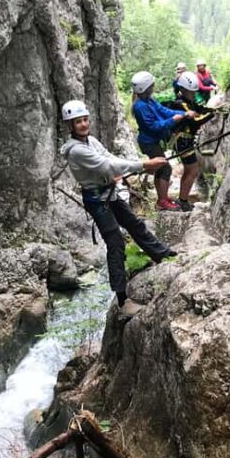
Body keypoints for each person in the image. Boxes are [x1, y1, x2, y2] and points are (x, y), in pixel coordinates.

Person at [59, 100, 177, 308]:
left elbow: (108, 158)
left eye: (85, 120)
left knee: (134, 224)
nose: (84, 124)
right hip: (97, 200)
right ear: (70, 125)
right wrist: (143, 165)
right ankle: (122, 299)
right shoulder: (76, 150)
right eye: (78, 122)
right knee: (115, 242)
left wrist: (118, 173)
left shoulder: (91, 141)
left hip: (107, 193)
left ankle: (162, 254)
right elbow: (107, 165)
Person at [130, 70, 195, 211]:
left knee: (161, 168)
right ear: (146, 87)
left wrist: (184, 114)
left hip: (153, 141)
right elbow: (153, 127)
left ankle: (162, 198)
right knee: (165, 168)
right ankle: (162, 201)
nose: (153, 87)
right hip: (149, 143)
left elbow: (163, 111)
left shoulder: (149, 100)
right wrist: (173, 120)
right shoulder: (140, 106)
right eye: (152, 85)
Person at [162, 71, 219, 211]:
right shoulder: (180, 104)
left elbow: (200, 108)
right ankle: (183, 200)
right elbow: (195, 122)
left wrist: (215, 109)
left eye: (194, 92)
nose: (193, 94)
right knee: (192, 170)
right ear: (182, 90)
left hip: (185, 141)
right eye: (190, 92)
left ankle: (183, 199)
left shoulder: (189, 102)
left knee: (190, 170)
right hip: (182, 141)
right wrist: (212, 114)